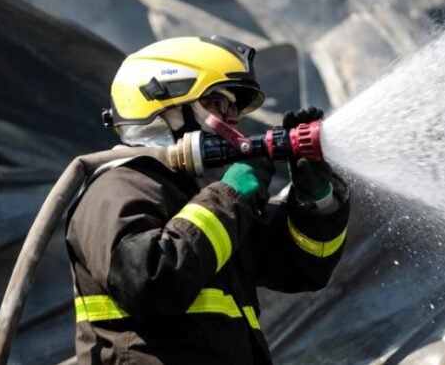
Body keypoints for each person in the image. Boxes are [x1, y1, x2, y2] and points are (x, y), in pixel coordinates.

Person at [65, 35, 350, 365]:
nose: (233, 118)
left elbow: (303, 269)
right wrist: (230, 196)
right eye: (218, 102)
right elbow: (150, 284)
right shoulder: (118, 187)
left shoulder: (195, 199)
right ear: (166, 105)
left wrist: (316, 199)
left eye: (235, 107)